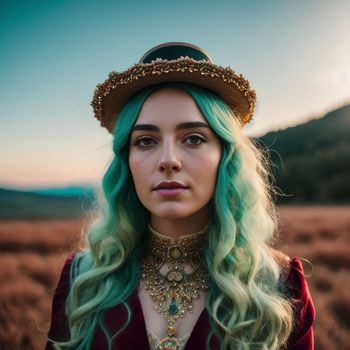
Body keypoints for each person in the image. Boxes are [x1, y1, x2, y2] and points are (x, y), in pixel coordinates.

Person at [45, 42, 315, 350]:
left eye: (194, 138)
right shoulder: (82, 281)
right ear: (127, 159)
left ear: (224, 157)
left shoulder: (280, 285)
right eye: (146, 141)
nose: (168, 159)